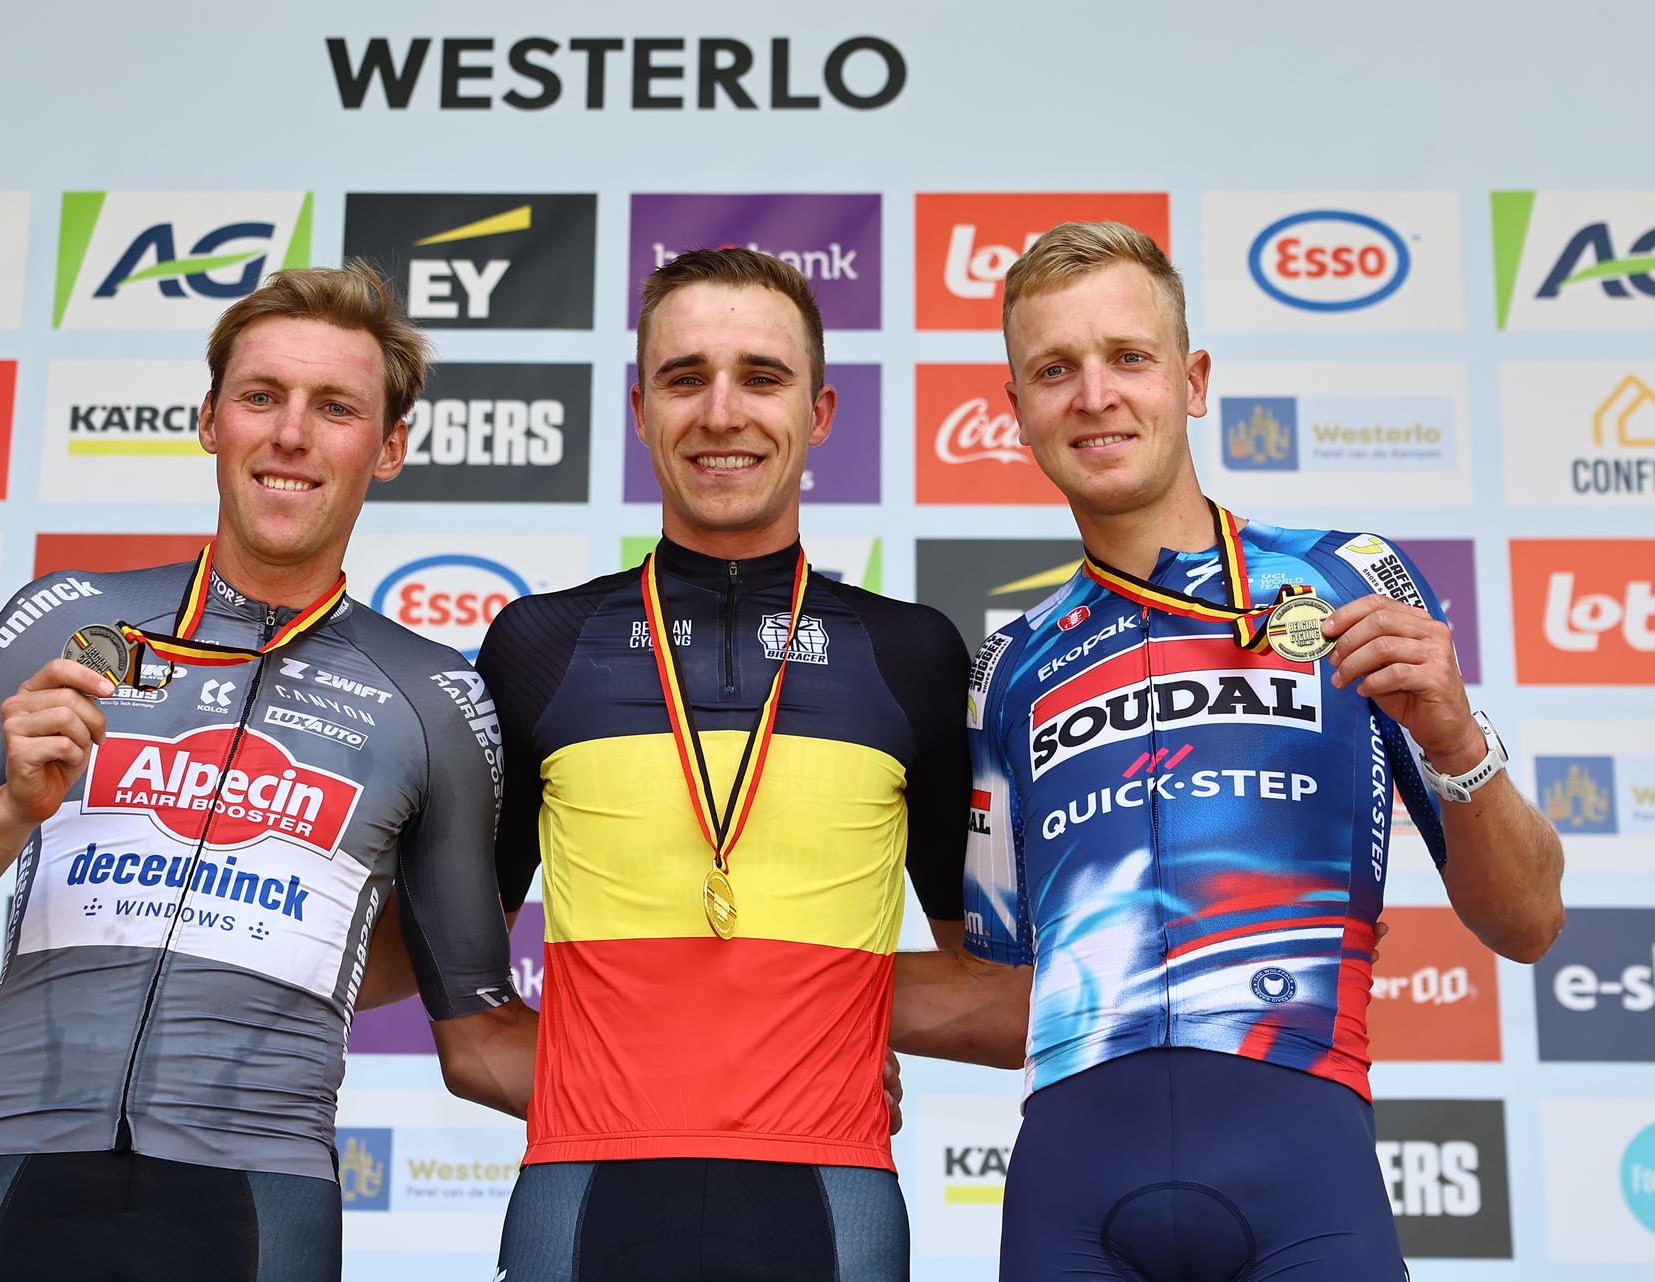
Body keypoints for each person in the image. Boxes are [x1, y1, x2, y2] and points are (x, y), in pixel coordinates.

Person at [0, 262, 537, 1282]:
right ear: (210, 419)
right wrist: (9, 814)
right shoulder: (66, 621)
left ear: (387, 448)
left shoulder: (432, 698)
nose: (291, 433)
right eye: (261, 396)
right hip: (12, 1164)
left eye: (334, 406)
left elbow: (468, 1016)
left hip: (257, 1197)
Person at [965, 221, 1566, 1282]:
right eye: (1054, 369)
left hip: (1302, 1169)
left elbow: (1527, 920)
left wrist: (1457, 738)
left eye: (1129, 357)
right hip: (1069, 1188)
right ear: (1017, 414)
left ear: (1192, 381)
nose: (1094, 394)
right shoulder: (1009, 665)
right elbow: (1000, 984)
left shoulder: (1350, 581)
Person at [472, 247, 974, 1281]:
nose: (721, 411)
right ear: (640, 409)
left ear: (821, 411)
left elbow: (993, 983)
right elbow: (459, 983)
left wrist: (813, 1028)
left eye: (761, 375)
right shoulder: (538, 644)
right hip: (585, 1186)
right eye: (684, 376)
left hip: (829, 1198)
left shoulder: (912, 652)